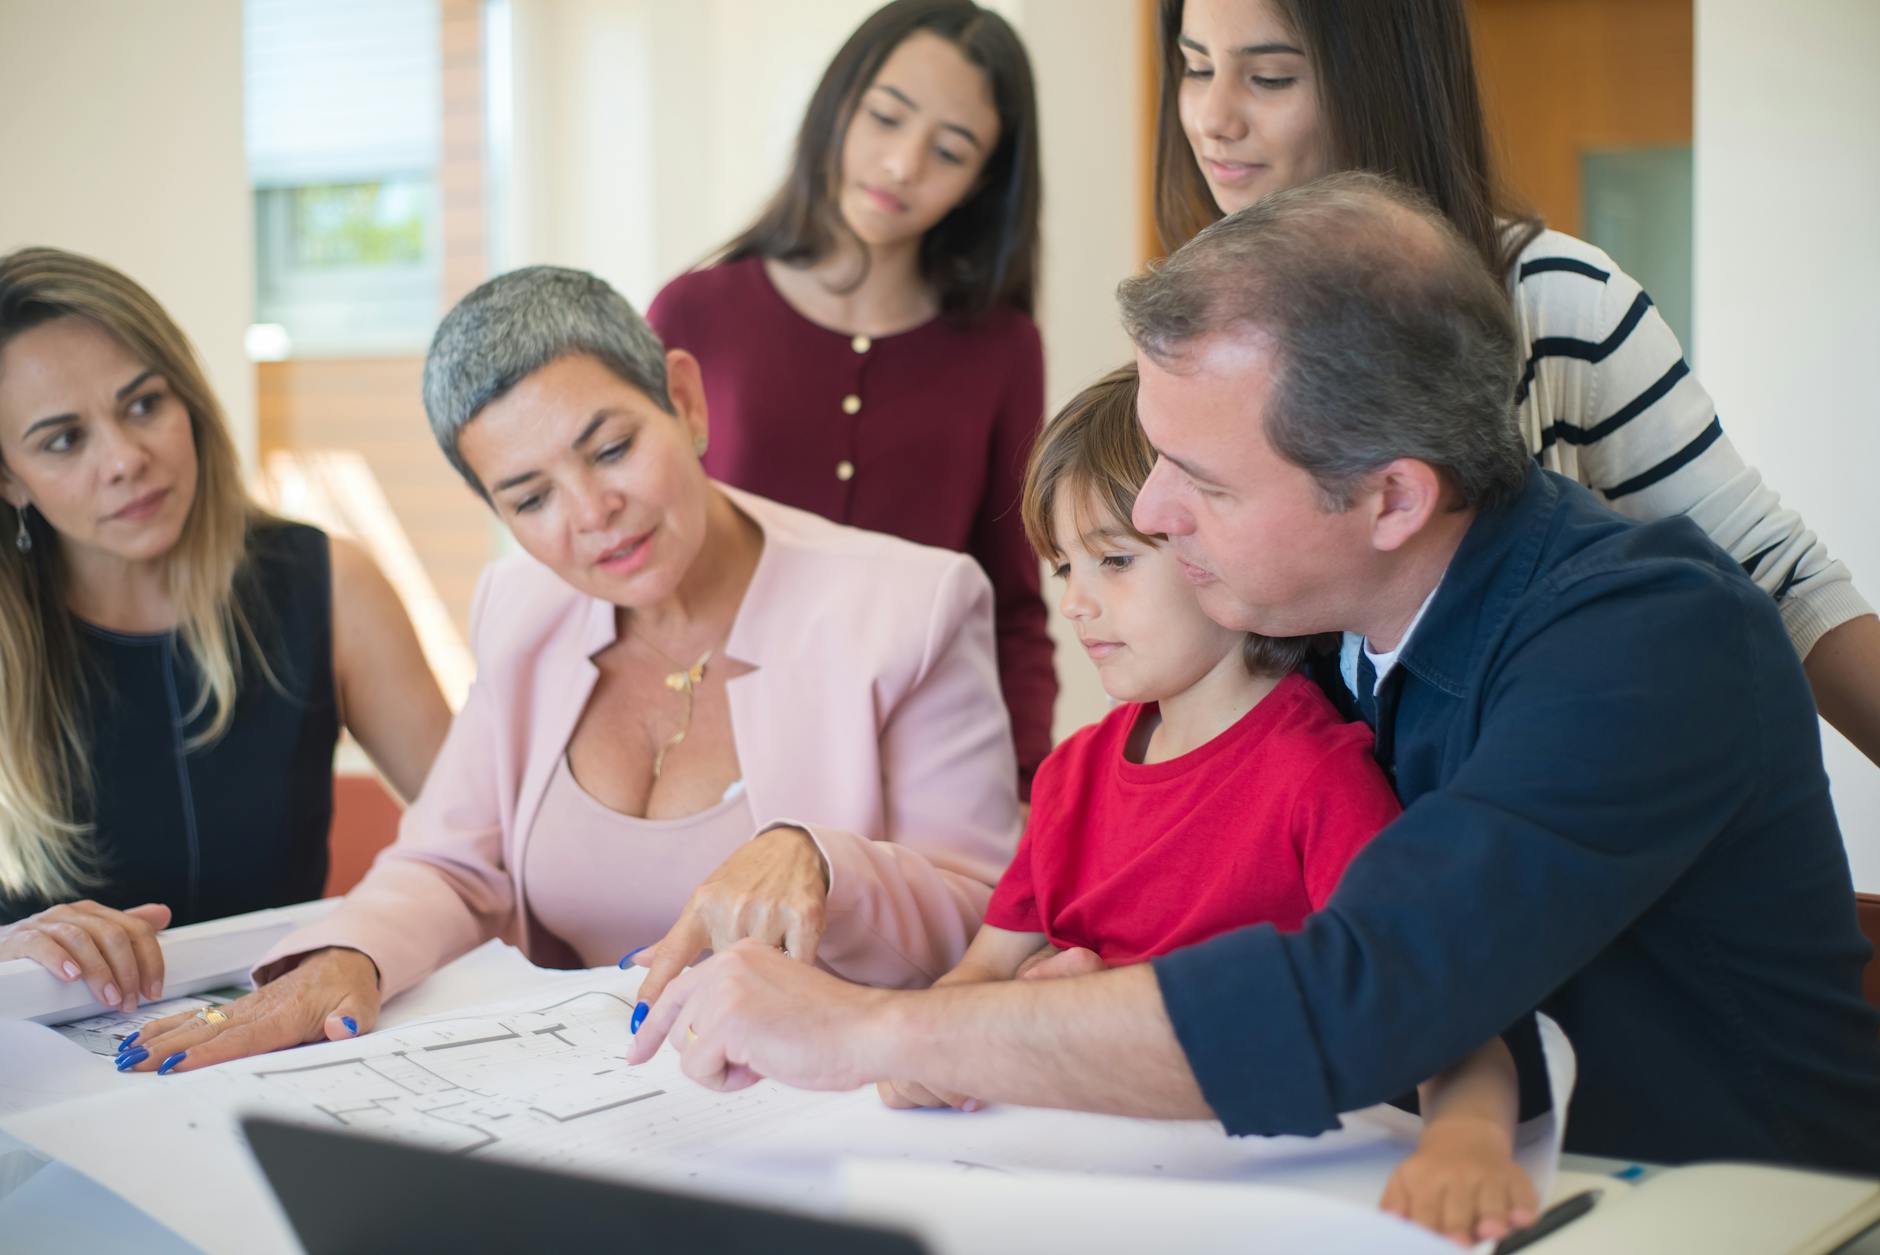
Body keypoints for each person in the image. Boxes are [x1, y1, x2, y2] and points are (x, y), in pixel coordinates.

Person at [625, 176, 1880, 1181]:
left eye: (1203, 482)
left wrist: (861, 1030)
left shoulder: (1643, 640)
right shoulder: (1324, 618)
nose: (1158, 513)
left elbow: (1362, 991)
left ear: (1391, 495)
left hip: (1730, 1205)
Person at [121, 264, 1022, 1077]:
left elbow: (984, 922)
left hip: (816, 1098)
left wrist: (821, 860)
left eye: (611, 448)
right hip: (577, 1102)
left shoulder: (915, 604)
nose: (593, 513)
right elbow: (448, 862)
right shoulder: (522, 607)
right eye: (531, 496)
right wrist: (345, 959)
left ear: (685, 401)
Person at [875, 366, 1533, 1244]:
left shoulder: (1317, 776)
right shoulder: (1071, 776)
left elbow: (1444, 1017)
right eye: (1065, 566)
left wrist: (1465, 1143)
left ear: (1212, 543)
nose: (1075, 602)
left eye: (1114, 560)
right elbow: (977, 977)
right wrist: (924, 1047)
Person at [1149, 0, 1880, 768]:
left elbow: (1777, 576)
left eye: (1269, 77)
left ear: (1383, 86)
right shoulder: (1188, 333)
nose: (1212, 117)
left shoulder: (1556, 298)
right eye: (1196, 67)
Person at [0, 247, 449, 1020]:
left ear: (190, 402)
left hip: (289, 1050)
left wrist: (366, 942)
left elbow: (482, 843)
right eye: (63, 440)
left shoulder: (332, 581)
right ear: (8, 477)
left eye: (143, 404)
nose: (127, 459)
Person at [646, 0, 1056, 795]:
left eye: (950, 149)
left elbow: (1011, 600)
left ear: (983, 181)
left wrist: (1025, 784)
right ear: (839, 105)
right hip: (712, 749)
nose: (902, 164)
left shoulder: (1001, 349)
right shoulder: (695, 312)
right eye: (886, 117)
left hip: (926, 759)